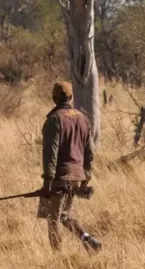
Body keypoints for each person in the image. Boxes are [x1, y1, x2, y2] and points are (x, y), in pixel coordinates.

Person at [39, 80, 102, 253]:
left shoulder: (53, 119)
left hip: (59, 176)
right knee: (65, 216)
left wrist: (47, 183)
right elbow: (90, 152)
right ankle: (88, 240)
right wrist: (85, 177)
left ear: (54, 98)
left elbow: (49, 155)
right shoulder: (82, 118)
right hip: (77, 175)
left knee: (53, 218)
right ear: (71, 97)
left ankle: (56, 257)